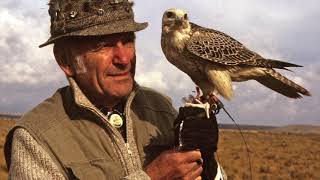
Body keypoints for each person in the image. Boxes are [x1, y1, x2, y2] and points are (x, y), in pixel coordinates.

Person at [5, 0, 222, 179]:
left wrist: (208, 166)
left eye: (128, 41)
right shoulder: (35, 138)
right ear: (66, 61)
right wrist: (152, 177)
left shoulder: (161, 108)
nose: (124, 58)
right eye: (104, 45)